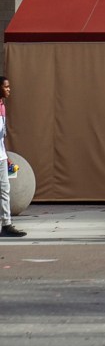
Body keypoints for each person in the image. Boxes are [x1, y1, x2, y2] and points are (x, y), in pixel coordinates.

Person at [0, 76, 26, 237]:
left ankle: (6, 225)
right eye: (6, 86)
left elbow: (1, 137)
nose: (9, 89)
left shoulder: (2, 107)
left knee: (5, 190)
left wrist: (6, 156)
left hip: (1, 157)